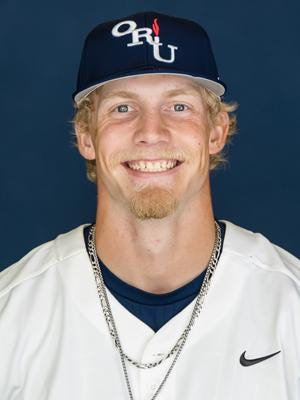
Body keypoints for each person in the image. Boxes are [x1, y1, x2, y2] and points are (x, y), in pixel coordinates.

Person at [0, 11, 299, 400]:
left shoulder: (290, 308)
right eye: (122, 108)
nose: (151, 132)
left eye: (178, 107)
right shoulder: (11, 314)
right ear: (86, 137)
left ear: (217, 132)